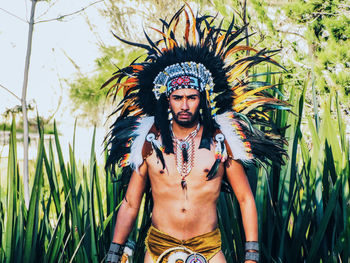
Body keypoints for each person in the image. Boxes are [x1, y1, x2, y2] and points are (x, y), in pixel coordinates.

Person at [104, 5, 287, 263]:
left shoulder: (223, 142)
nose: (185, 104)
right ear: (167, 100)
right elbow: (130, 203)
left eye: (191, 97)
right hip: (158, 251)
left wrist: (251, 256)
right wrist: (114, 253)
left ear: (202, 99)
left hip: (209, 251)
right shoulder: (148, 142)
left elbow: (245, 199)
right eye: (177, 98)